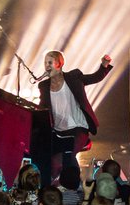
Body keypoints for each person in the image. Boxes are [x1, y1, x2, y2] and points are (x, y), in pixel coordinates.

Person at [38, 49, 112, 181]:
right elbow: (42, 108)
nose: (47, 66)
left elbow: (94, 77)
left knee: (68, 154)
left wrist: (104, 66)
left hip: (79, 126)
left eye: (50, 62)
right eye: (45, 63)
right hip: (58, 130)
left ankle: (72, 186)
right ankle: (48, 187)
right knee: (49, 158)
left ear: (59, 64)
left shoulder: (73, 77)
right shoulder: (44, 86)